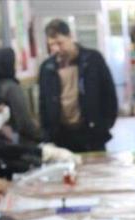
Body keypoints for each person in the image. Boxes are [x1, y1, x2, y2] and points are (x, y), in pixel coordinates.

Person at [38, 19, 118, 152]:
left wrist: (104, 125)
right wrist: (46, 134)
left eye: (60, 43)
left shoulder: (92, 59)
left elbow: (108, 93)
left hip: (90, 131)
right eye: (52, 45)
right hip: (60, 134)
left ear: (70, 36)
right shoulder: (47, 67)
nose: (57, 49)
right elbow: (43, 103)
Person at [0, 89, 74, 183]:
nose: (0, 117)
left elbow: (12, 157)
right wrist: (43, 152)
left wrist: (35, 166)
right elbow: (6, 149)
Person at [0, 47, 42, 145]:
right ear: (7, 64)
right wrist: (41, 134)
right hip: (18, 144)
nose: (17, 65)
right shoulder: (10, 88)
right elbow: (23, 122)